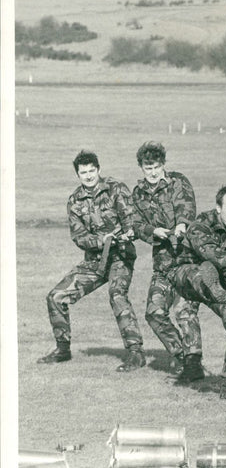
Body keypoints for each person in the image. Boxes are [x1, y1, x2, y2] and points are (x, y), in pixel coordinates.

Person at [39, 150, 146, 372]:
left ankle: (135, 353)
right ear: (77, 174)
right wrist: (101, 240)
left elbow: (131, 220)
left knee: (117, 296)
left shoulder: (116, 189)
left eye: (91, 171)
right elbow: (79, 237)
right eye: (83, 172)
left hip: (120, 257)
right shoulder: (74, 201)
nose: (88, 176)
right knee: (56, 296)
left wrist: (125, 235)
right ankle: (62, 349)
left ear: (98, 169)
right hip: (95, 262)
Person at [167, 186, 226, 401]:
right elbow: (208, 251)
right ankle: (210, 283)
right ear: (218, 208)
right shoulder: (200, 224)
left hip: (222, 284)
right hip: (186, 274)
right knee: (205, 269)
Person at [131, 142, 204, 384]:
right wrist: (155, 231)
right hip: (162, 263)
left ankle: (194, 363)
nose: (152, 172)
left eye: (156, 166)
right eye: (147, 167)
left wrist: (181, 226)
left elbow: (187, 207)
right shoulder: (138, 193)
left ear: (164, 165)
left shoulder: (178, 182)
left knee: (185, 311)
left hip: (187, 259)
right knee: (154, 313)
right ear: (141, 167)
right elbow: (137, 224)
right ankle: (182, 356)